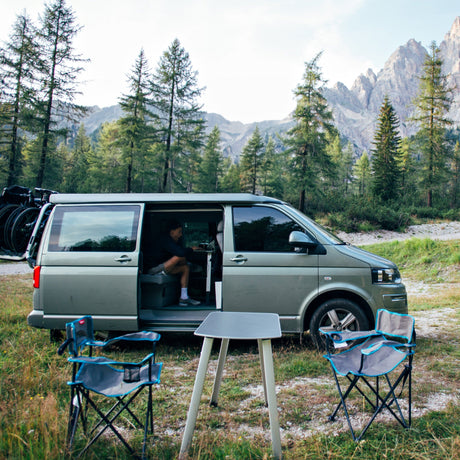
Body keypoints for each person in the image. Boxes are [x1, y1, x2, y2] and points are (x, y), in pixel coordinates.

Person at [147, 219, 201, 306]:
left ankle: (184, 298)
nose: (181, 235)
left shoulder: (171, 240)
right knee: (179, 257)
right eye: (179, 232)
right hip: (153, 269)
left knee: (185, 268)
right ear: (172, 232)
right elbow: (180, 253)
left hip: (164, 266)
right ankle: (190, 265)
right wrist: (192, 249)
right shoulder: (165, 239)